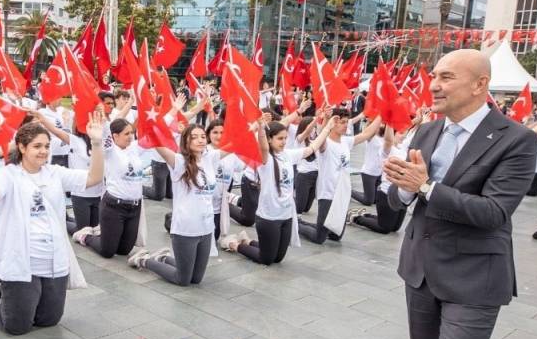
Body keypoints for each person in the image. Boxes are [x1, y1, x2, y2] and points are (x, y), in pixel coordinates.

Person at [379, 49, 537, 339]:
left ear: (480, 84)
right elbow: (396, 198)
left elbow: (493, 213)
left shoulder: (515, 140)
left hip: (474, 277)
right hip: (421, 267)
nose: (434, 83)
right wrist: (402, 188)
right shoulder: (427, 129)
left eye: (446, 76)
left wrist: (426, 187)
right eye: (433, 75)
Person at [0, 114, 105, 335]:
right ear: (21, 147)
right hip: (22, 262)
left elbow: (94, 178)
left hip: (53, 262)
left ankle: (14, 297)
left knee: (49, 320)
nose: (43, 151)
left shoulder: (55, 173)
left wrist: (97, 143)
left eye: (47, 146)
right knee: (16, 326)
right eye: (37, 146)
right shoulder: (8, 175)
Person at [220, 113, 333, 265]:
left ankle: (248, 241)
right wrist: (260, 127)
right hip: (269, 217)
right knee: (266, 259)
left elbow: (312, 148)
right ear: (269, 139)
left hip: (286, 215)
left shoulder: (288, 155)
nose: (284, 142)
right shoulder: (264, 159)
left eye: (285, 138)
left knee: (278, 258)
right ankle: (234, 244)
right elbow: (263, 145)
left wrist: (328, 128)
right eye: (280, 138)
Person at [128, 124, 219, 285]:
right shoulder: (179, 161)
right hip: (185, 228)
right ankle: (145, 260)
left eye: (203, 136)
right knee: (182, 280)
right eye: (194, 137)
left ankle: (163, 257)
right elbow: (158, 145)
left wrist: (258, 128)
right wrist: (150, 126)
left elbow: (237, 143)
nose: (200, 140)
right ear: (186, 140)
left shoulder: (210, 159)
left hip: (206, 228)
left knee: (196, 280)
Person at [298, 112, 381, 243]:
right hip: (328, 194)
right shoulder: (326, 143)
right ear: (334, 123)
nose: (345, 125)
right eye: (342, 122)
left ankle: (317, 226)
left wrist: (380, 114)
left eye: (346, 122)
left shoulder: (346, 141)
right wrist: (326, 120)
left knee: (335, 236)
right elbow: (322, 138)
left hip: (342, 194)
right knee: (319, 238)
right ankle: (297, 225)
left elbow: (366, 134)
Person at [73, 118, 145, 259]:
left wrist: (172, 113)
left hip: (135, 207)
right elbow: (105, 134)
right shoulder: (111, 151)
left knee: (124, 251)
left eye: (131, 133)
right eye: (126, 134)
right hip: (114, 206)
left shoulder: (134, 148)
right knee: (107, 252)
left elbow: (155, 133)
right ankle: (85, 236)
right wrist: (103, 118)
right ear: (115, 136)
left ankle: (102, 233)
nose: (130, 136)